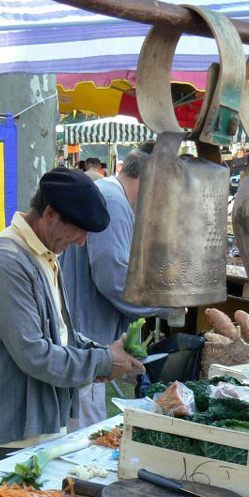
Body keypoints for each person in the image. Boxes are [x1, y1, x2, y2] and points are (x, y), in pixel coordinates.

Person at [0, 168, 145, 470]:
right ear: (51, 214)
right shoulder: (6, 263)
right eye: (79, 231)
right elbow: (35, 354)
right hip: (6, 437)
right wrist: (103, 361)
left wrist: (106, 354)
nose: (81, 242)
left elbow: (62, 334)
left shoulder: (45, 254)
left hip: (38, 429)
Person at [61, 149, 170, 428]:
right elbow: (115, 278)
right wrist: (165, 304)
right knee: (81, 440)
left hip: (87, 340)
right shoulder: (113, 201)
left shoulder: (114, 197)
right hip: (85, 339)